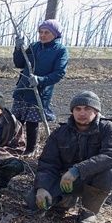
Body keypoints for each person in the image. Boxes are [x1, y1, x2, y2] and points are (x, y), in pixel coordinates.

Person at [25, 91, 112, 223]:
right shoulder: (60, 132)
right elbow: (47, 163)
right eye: (78, 109)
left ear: (96, 111)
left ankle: (88, 212)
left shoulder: (108, 128)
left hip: (92, 180)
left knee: (110, 173)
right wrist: (42, 187)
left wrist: (77, 170)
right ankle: (66, 201)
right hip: (65, 181)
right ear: (72, 111)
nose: (82, 113)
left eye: (87, 109)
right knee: (32, 201)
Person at [12, 19, 69, 155]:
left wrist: (40, 80)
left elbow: (59, 73)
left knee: (32, 123)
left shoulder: (60, 51)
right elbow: (19, 63)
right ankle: (14, 146)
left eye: (46, 32)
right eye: (40, 32)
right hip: (23, 89)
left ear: (55, 34)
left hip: (40, 92)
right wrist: (18, 49)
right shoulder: (34, 46)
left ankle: (30, 149)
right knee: (16, 122)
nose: (42, 35)